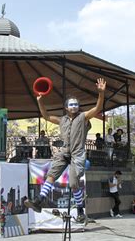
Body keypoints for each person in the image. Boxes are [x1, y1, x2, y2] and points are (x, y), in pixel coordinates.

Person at [25, 78, 106, 222]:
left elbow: (97, 108)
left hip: (78, 154)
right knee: (51, 176)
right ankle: (39, 201)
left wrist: (101, 93)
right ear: (66, 107)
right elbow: (46, 116)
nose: (74, 106)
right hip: (64, 152)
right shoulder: (62, 120)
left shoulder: (83, 117)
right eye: (71, 104)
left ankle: (80, 210)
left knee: (73, 184)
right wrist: (40, 101)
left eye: (76, 104)